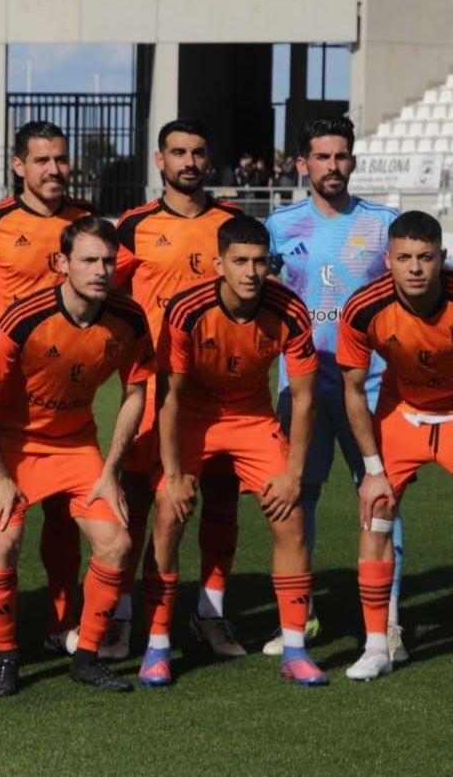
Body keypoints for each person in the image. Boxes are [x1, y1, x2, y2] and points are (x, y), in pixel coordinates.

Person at [336, 211, 453, 689]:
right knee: (376, 509)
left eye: (425, 257)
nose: (415, 268)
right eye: (404, 258)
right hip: (404, 412)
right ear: (388, 261)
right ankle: (377, 646)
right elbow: (354, 390)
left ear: (443, 258)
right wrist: (372, 468)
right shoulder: (362, 308)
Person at [0, 217, 155, 696]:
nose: (100, 270)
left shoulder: (129, 319)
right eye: (89, 260)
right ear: (62, 263)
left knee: (116, 544)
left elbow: (136, 392)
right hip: (12, 447)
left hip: (76, 446)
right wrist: (0, 475)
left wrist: (111, 471)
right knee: (3, 545)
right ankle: (6, 659)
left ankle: (87, 656)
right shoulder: (23, 319)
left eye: (108, 261)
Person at [139, 216, 326, 688]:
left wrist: (294, 474)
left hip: (252, 417)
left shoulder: (291, 309)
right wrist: (176, 472)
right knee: (168, 511)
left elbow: (304, 397)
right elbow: (169, 396)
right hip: (194, 417)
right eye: (239, 261)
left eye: (260, 261)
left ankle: (295, 647)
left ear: (271, 263)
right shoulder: (187, 309)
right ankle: (157, 645)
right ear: (219, 263)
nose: (250, 272)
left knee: (291, 517)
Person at [262, 117, 405, 660]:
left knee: (381, 500)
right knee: (297, 501)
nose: (333, 167)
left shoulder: (382, 223)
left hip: (370, 388)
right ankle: (302, 618)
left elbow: (422, 278)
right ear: (302, 164)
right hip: (300, 390)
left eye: (341, 156)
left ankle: (388, 623)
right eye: (321, 157)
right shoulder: (279, 226)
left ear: (353, 160)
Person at [0, 120, 96, 660]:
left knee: (63, 512)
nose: (54, 170)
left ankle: (61, 623)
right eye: (42, 161)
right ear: (18, 166)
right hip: (1, 398)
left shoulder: (84, 220)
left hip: (68, 396)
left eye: (61, 159)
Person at [108, 119, 247, 662]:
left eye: (198, 152)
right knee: (139, 503)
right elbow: (106, 292)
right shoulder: (135, 224)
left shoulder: (233, 222)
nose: (189, 161)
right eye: (178, 152)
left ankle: (211, 613)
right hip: (153, 387)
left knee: (220, 504)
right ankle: (121, 616)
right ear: (160, 161)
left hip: (220, 392)